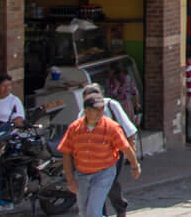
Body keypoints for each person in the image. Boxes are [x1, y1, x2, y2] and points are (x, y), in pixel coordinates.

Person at [59, 95, 140, 217]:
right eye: (96, 110)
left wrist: (135, 165)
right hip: (82, 174)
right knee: (84, 213)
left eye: (102, 109)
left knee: (92, 213)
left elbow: (125, 148)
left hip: (104, 173)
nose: (100, 113)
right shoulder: (75, 129)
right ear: (86, 111)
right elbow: (66, 153)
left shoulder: (111, 127)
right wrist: (70, 179)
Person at [77, 84, 136, 217]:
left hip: (114, 152)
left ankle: (120, 208)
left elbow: (129, 130)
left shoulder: (111, 106)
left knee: (109, 182)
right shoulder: (82, 113)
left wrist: (132, 156)